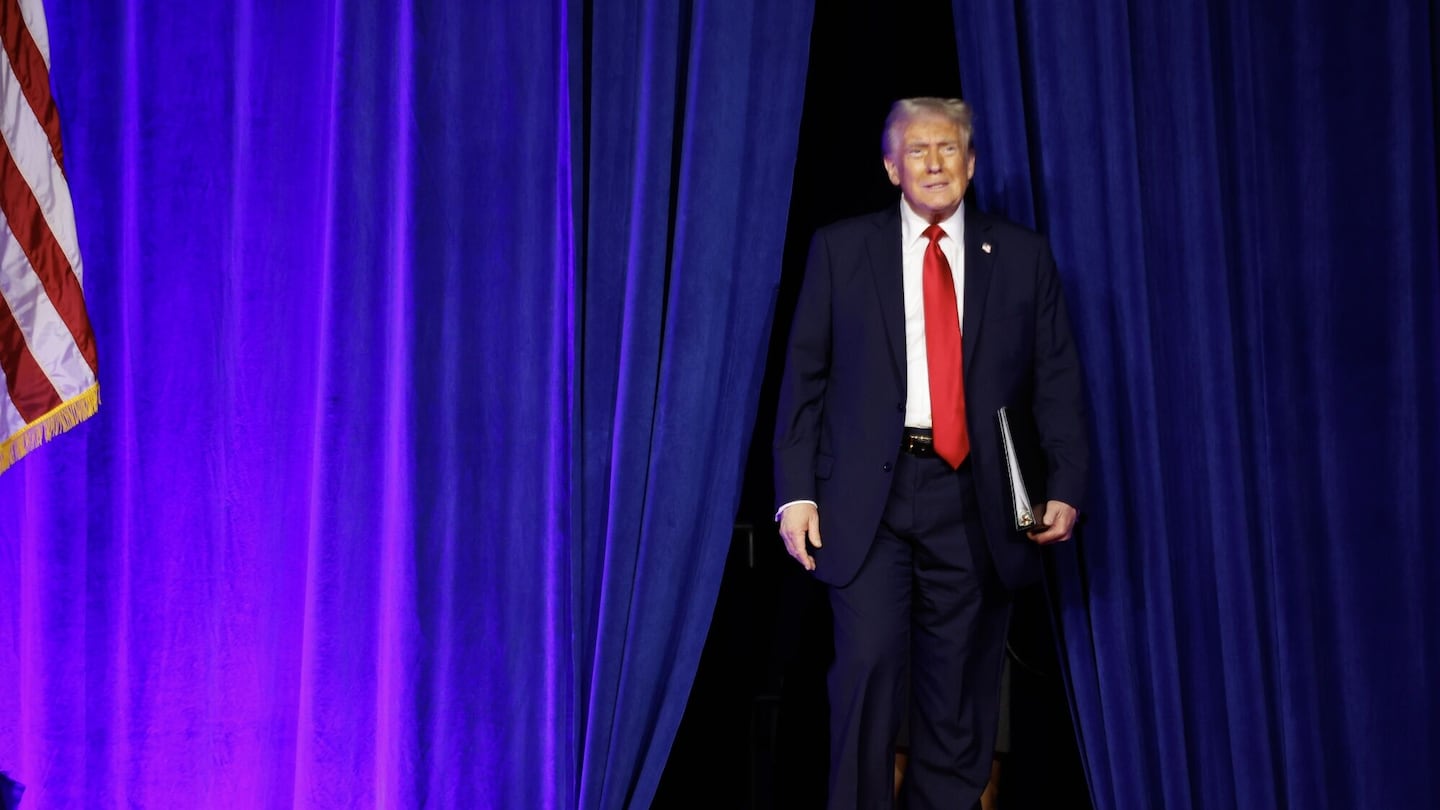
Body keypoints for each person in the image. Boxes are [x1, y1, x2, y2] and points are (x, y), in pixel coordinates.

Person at [772, 97, 1089, 809]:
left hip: (972, 497)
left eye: (949, 149)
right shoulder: (841, 249)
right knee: (869, 665)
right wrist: (795, 493)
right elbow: (804, 378)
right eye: (918, 150)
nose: (935, 163)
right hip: (866, 500)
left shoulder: (1022, 256)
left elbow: (1058, 381)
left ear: (971, 164)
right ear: (892, 167)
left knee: (959, 691)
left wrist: (1065, 484)